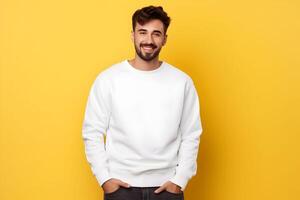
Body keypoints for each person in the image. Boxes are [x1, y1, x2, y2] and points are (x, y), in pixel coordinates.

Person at [82, 5, 203, 200]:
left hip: (167, 189)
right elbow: (92, 132)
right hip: (121, 188)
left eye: (156, 34)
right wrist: (105, 179)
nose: (148, 40)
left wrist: (179, 180)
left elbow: (192, 134)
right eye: (142, 32)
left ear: (164, 39)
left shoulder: (181, 82)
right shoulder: (108, 79)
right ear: (133, 35)